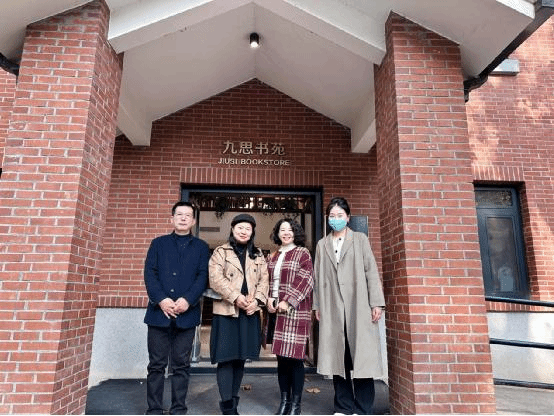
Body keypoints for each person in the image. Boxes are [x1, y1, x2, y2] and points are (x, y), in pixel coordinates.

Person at [313, 197, 385, 415]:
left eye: (340, 215)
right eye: (332, 216)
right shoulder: (322, 244)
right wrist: (317, 305)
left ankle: (362, 408)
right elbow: (317, 277)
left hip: (358, 305)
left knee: (362, 358)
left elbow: (371, 271)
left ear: (348, 217)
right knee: (338, 358)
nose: (335, 219)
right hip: (332, 307)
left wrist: (376, 303)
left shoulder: (360, 239)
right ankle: (343, 407)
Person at [143, 201, 210, 415]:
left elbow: (203, 277)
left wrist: (188, 300)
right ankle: (154, 409)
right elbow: (150, 273)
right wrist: (161, 300)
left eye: (187, 215)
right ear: (171, 218)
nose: (183, 218)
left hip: (186, 315)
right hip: (158, 314)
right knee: (156, 364)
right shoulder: (158, 243)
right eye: (179, 214)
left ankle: (178, 408)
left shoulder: (201, 247)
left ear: (193, 220)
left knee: (181, 365)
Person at [209, 213, 269, 414]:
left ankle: (234, 401)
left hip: (249, 313)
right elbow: (215, 279)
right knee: (226, 359)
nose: (243, 231)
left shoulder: (258, 255)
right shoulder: (220, 252)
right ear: (233, 229)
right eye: (240, 228)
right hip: (226, 312)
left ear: (252, 232)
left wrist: (257, 302)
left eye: (248, 229)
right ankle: (228, 407)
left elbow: (264, 281)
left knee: (240, 359)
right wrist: (235, 297)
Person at [265, 218, 314, 415]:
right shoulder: (273, 256)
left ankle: (296, 404)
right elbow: (267, 281)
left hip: (295, 310)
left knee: (295, 359)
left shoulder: (302, 253)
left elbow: (306, 280)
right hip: (276, 311)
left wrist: (288, 300)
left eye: (290, 230)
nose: (286, 233)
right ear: (277, 234)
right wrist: (268, 299)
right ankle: (284, 401)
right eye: (282, 230)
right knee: (282, 359)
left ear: (295, 233)